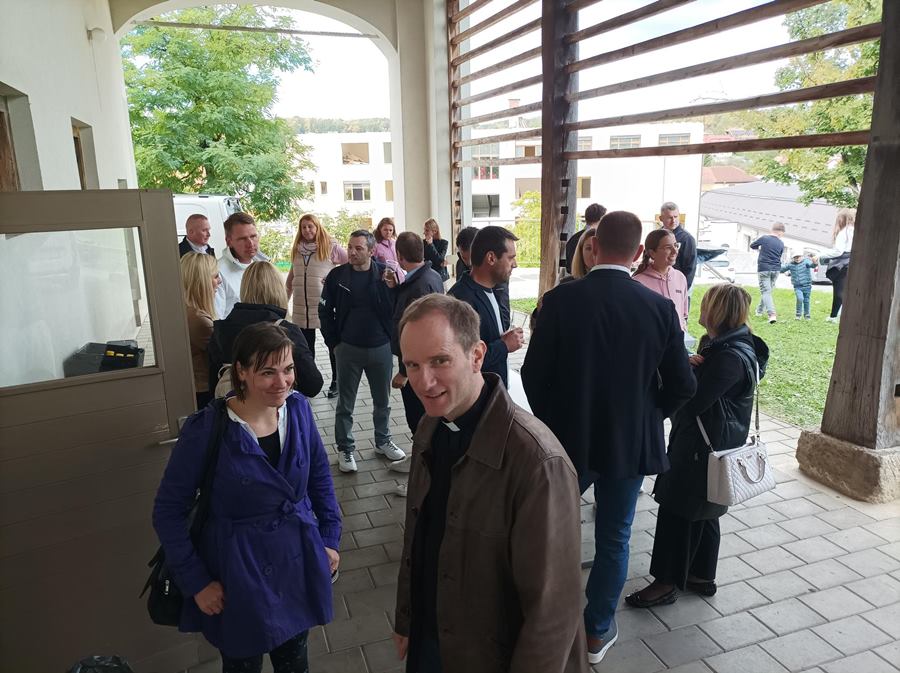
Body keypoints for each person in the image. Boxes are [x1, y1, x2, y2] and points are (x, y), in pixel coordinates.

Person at [521, 211, 696, 665]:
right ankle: (597, 631)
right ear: (639, 252)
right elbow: (683, 384)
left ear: (594, 248)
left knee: (552, 532)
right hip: (629, 443)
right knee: (615, 537)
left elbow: (534, 374)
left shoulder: (559, 301)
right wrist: (650, 415)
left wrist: (552, 422)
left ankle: (543, 619)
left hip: (568, 440)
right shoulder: (658, 308)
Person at [392, 294, 587, 673]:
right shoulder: (431, 426)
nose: (423, 382)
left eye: (440, 361)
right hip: (432, 636)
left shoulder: (537, 461)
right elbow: (418, 533)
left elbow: (553, 611)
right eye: (412, 365)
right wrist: (406, 616)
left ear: (477, 355)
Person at [152, 322, 342, 673]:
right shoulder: (207, 429)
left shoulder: (298, 410)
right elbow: (167, 511)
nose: (282, 382)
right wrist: (197, 582)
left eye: (288, 369)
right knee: (242, 664)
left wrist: (329, 537)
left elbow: (319, 477)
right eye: (267, 372)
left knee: (295, 662)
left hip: (295, 561)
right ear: (241, 371)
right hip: (237, 574)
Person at [626, 284, 768, 608]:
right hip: (713, 444)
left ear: (717, 311)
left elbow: (690, 403)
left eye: (705, 304)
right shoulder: (735, 347)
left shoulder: (727, 357)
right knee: (706, 510)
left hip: (699, 449)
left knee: (677, 511)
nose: (699, 309)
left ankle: (665, 583)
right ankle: (701, 575)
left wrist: (679, 372)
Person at [319, 229, 406, 473]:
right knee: (345, 404)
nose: (352, 252)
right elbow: (324, 311)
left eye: (358, 248)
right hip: (348, 348)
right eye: (350, 247)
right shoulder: (337, 276)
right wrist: (333, 343)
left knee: (383, 401)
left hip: (381, 348)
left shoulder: (385, 274)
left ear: (371, 251)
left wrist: (394, 287)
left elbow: (397, 307)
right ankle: (345, 448)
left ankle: (383, 440)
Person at [208, 261, 323, 399]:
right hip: (274, 408)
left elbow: (214, 382)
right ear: (278, 289)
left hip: (233, 408)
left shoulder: (221, 330)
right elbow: (313, 385)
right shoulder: (286, 331)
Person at [448, 225, 523, 388]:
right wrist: (504, 346)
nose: (515, 264)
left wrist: (502, 337)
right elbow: (462, 360)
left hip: (494, 391)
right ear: (491, 258)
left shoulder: (489, 288)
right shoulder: (461, 300)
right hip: (478, 397)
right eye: (510, 258)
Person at [386, 231, 444, 434]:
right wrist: (395, 288)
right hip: (429, 363)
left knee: (419, 419)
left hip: (418, 367)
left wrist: (404, 372)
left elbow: (415, 335)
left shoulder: (417, 287)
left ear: (400, 256)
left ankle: (423, 452)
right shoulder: (432, 276)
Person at [285, 213, 348, 399]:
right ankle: (306, 383)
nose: (307, 230)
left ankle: (337, 381)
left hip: (323, 307)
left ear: (317, 227)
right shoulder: (297, 250)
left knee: (332, 345)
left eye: (310, 226)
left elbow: (349, 264)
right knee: (305, 350)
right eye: (303, 227)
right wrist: (283, 303)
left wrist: (334, 280)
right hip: (300, 309)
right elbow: (290, 280)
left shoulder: (330, 247)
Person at [180, 252, 221, 409]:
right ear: (202, 282)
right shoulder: (199, 320)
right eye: (215, 276)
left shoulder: (186, 311)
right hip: (203, 391)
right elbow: (224, 354)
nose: (219, 281)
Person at [632, 229, 689, 331]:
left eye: (676, 245)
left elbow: (683, 315)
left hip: (677, 339)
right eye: (668, 247)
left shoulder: (680, 278)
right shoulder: (638, 283)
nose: (675, 251)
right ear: (652, 253)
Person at [218, 212, 268, 319]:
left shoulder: (264, 266)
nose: (250, 243)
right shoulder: (217, 272)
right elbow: (216, 319)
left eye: (253, 236)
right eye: (242, 238)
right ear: (229, 242)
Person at [819, 208, 855, 322]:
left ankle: (834, 316)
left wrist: (821, 255)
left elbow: (838, 251)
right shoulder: (856, 230)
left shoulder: (844, 232)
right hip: (853, 262)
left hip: (842, 264)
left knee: (839, 291)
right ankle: (838, 315)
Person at [750, 223, 786, 324]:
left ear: (772, 230)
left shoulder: (764, 238)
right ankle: (759, 311)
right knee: (768, 292)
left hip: (764, 269)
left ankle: (772, 314)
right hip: (776, 269)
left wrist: (761, 249)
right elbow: (779, 255)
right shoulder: (781, 243)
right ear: (780, 232)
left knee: (766, 292)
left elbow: (752, 245)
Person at [660, 201, 697, 290]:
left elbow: (690, 268)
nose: (673, 221)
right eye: (669, 217)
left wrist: (682, 290)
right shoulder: (655, 236)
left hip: (677, 286)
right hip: (657, 285)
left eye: (676, 217)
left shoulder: (687, 239)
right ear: (661, 218)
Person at [564, 203, 606, 275]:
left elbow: (568, 267)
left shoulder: (573, 238)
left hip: (574, 278)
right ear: (601, 218)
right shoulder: (601, 239)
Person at [780, 253, 817, 320]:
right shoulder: (791, 264)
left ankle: (807, 316)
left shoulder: (806, 262)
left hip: (807, 285)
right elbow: (782, 269)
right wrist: (775, 264)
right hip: (797, 287)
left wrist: (814, 262)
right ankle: (798, 315)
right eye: (795, 257)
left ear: (802, 256)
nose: (797, 258)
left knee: (806, 301)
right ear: (793, 258)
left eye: (799, 257)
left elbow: (812, 265)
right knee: (800, 298)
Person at [373, 216, 406, 283]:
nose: (388, 232)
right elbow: (373, 263)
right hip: (385, 278)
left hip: (400, 277)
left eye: (390, 230)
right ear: (380, 230)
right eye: (385, 230)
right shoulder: (376, 245)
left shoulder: (395, 242)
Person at [422, 218, 449, 283]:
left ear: (435, 231)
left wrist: (431, 245)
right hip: (426, 276)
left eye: (427, 230)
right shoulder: (422, 243)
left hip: (440, 276)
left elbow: (439, 260)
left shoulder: (444, 243)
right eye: (424, 230)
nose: (424, 233)